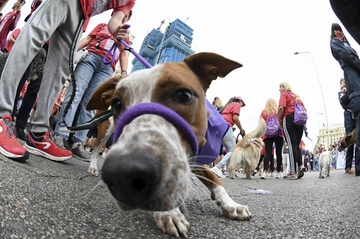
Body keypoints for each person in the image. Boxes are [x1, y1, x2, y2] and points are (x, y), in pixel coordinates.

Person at [0, 0, 136, 162]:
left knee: (60, 67)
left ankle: (38, 132)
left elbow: (114, 20)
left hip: (80, 17)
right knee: (31, 40)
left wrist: (117, 31)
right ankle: (2, 115)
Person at [53, 19, 131, 161]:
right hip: (91, 57)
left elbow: (124, 53)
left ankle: (77, 142)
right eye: (121, 14)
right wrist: (71, 52)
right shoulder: (102, 26)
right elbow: (88, 39)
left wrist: (124, 73)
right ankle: (60, 135)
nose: (123, 17)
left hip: (107, 68)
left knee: (91, 103)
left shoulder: (125, 33)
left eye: (126, 15)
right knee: (75, 94)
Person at [330, 23, 360, 176]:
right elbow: (343, 102)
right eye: (335, 31)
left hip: (354, 104)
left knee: (355, 136)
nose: (338, 32)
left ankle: (353, 166)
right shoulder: (337, 45)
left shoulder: (344, 44)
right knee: (350, 137)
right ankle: (348, 166)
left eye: (340, 30)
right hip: (349, 111)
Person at [210, 96, 246, 178]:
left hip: (220, 127)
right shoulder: (236, 104)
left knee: (230, 149)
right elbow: (235, 118)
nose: (241, 106)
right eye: (242, 104)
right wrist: (241, 129)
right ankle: (217, 167)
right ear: (240, 101)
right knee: (233, 149)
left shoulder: (228, 105)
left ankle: (230, 172)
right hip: (226, 126)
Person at [278, 82, 307, 179]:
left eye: (281, 87)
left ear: (285, 87)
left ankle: (293, 171)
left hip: (289, 118)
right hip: (299, 120)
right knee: (296, 144)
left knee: (291, 144)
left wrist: (280, 120)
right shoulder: (296, 96)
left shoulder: (284, 94)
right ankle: (300, 165)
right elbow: (304, 109)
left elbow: (281, 107)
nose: (279, 89)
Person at [259, 98, 284, 179]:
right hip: (278, 133)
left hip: (267, 134)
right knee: (278, 153)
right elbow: (282, 120)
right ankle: (279, 172)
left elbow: (260, 122)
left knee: (268, 153)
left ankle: (265, 171)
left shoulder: (264, 112)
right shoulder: (277, 111)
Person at [338, 75, 356, 173]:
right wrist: (344, 90)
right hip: (349, 114)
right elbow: (343, 102)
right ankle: (348, 166)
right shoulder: (341, 93)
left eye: (345, 81)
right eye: (342, 81)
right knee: (349, 139)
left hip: (356, 112)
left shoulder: (353, 87)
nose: (343, 82)